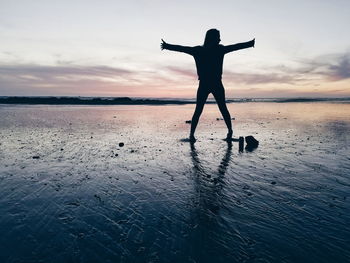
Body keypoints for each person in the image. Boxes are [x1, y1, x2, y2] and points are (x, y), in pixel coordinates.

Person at [161, 29, 255, 142]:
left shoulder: (202, 50)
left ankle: (221, 133)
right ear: (212, 38)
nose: (220, 39)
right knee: (210, 109)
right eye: (218, 37)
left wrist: (167, 46)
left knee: (212, 109)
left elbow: (235, 46)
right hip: (211, 84)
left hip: (209, 84)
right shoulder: (212, 50)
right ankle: (195, 135)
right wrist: (249, 44)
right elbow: (182, 48)